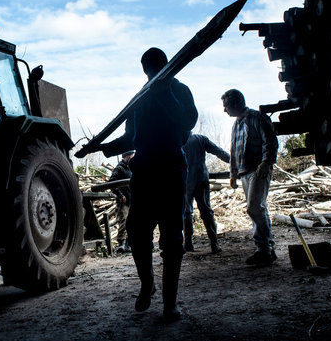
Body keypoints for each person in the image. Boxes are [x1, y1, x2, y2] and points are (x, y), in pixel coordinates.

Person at [80, 47, 197, 321]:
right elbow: (131, 138)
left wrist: (166, 93)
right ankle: (148, 284)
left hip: (170, 166)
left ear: (166, 66)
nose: (151, 73)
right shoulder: (139, 99)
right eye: (148, 69)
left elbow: (188, 123)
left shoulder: (180, 90)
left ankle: (170, 303)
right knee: (136, 230)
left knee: (171, 236)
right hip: (144, 169)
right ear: (144, 70)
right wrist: (100, 147)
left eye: (155, 68)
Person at [221, 89, 278, 265]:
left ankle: (264, 250)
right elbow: (233, 150)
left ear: (236, 103)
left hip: (258, 169)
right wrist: (233, 173)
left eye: (226, 106)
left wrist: (266, 162)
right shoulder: (236, 125)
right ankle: (267, 249)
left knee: (255, 207)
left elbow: (270, 141)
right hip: (245, 172)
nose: (225, 110)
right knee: (258, 208)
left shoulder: (257, 118)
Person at [182, 132, 230, 254]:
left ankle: (188, 243)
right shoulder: (200, 139)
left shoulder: (177, 141)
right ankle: (214, 243)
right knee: (206, 210)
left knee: (187, 212)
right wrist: (234, 161)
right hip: (201, 179)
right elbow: (218, 151)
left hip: (186, 181)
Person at [109, 150, 134, 254]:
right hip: (123, 200)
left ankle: (129, 244)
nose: (134, 158)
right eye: (132, 156)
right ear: (127, 157)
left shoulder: (133, 167)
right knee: (124, 221)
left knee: (132, 223)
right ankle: (121, 244)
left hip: (132, 200)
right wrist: (120, 195)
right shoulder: (119, 168)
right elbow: (111, 183)